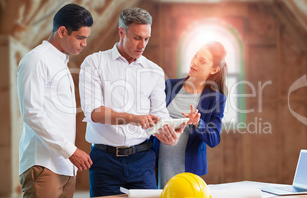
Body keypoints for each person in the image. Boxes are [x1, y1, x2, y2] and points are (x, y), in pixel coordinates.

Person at [79, 7, 188, 197]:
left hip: (142, 161)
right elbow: (94, 113)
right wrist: (134, 118)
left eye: (146, 39)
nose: (142, 44)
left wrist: (170, 135)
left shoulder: (154, 72)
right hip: (104, 161)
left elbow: (159, 114)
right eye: (137, 37)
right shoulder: (94, 63)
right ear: (121, 32)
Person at [16, 4, 93, 198]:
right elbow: (32, 114)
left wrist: (69, 156)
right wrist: (71, 151)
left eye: (86, 38)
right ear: (62, 31)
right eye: (80, 37)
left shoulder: (61, 62)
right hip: (44, 165)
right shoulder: (36, 60)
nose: (84, 44)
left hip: (64, 167)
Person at [154, 41, 228, 189]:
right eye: (195, 56)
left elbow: (214, 139)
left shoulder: (216, 98)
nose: (194, 62)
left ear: (214, 70)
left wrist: (198, 123)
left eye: (202, 61)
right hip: (156, 165)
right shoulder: (170, 86)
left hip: (188, 170)